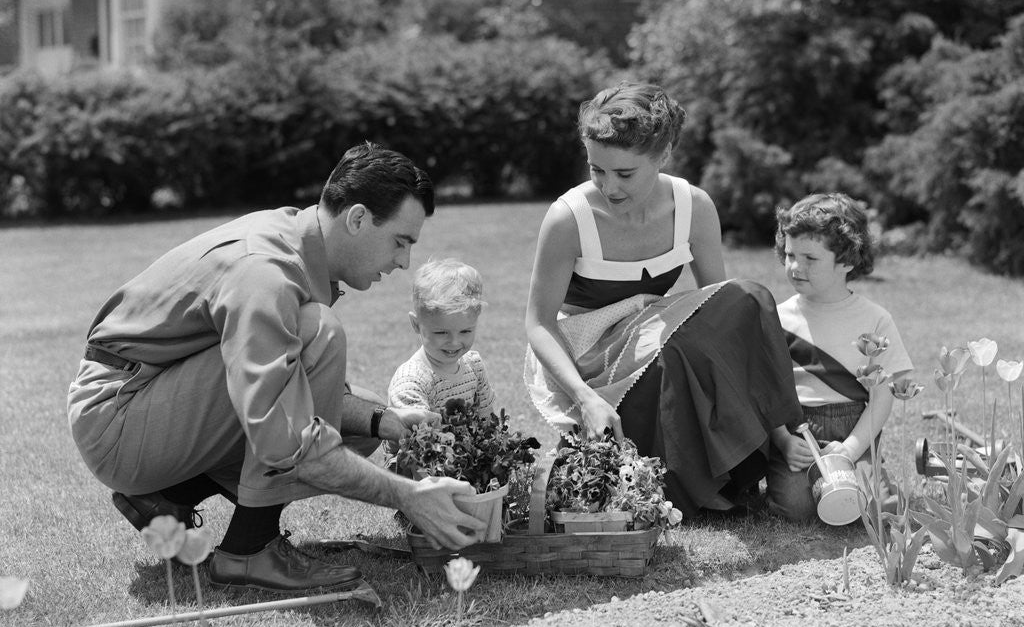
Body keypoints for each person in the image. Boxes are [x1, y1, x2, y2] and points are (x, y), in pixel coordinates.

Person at [67, 143, 487, 593]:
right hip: (119, 417)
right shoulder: (265, 271)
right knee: (320, 332)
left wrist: (386, 422)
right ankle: (249, 550)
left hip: (149, 401)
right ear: (359, 219)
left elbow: (300, 402)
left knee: (365, 421)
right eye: (401, 241)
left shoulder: (299, 241)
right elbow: (287, 436)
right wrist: (409, 496)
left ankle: (169, 497)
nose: (404, 261)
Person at [524, 81, 805, 519]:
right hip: (589, 359)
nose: (608, 186)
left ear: (664, 155)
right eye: (596, 169)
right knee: (673, 347)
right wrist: (584, 398)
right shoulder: (568, 218)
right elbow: (538, 324)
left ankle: (776, 440)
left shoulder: (693, 206)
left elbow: (721, 312)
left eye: (624, 173)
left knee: (746, 299)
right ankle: (694, 478)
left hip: (655, 342)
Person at [765, 193, 912, 522]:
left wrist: (849, 451)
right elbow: (767, 392)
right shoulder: (777, 317)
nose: (794, 267)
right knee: (796, 510)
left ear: (846, 261)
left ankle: (871, 475)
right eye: (789, 255)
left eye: (810, 258)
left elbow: (881, 397)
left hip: (854, 430)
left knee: (873, 509)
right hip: (798, 434)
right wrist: (784, 441)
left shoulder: (875, 319)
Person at [387, 258, 496, 427]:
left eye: (465, 331)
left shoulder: (474, 366)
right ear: (416, 324)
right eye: (441, 332)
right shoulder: (411, 380)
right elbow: (418, 442)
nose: (454, 342)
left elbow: (488, 421)